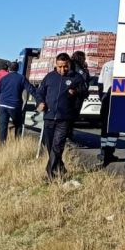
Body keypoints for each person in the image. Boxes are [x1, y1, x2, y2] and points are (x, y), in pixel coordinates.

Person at [33, 53, 84, 181]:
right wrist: (40, 102)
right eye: (60, 66)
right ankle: (60, 168)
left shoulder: (76, 77)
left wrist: (76, 91)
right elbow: (39, 93)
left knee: (58, 145)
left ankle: (50, 173)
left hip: (65, 117)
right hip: (49, 116)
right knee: (50, 146)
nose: (62, 69)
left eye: (65, 66)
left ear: (69, 64)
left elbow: (85, 92)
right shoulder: (49, 77)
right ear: (55, 64)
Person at [0, 61, 30, 145]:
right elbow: (29, 89)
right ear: (18, 68)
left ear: (9, 68)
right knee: (18, 125)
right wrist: (39, 99)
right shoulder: (21, 78)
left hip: (3, 105)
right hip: (14, 106)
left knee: (3, 126)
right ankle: (17, 143)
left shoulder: (3, 79)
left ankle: (1, 145)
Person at [97, 58, 118, 166]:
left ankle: (103, 151)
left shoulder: (106, 65)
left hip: (105, 96)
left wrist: (102, 97)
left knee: (105, 126)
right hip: (117, 97)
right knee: (114, 127)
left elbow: (100, 83)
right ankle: (109, 152)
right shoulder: (121, 65)